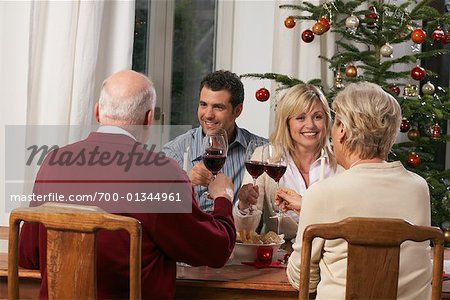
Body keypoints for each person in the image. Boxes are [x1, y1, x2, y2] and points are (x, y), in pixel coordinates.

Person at [18, 70, 236, 299]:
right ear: (148, 118)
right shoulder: (163, 174)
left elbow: (28, 255)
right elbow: (215, 252)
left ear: (97, 112)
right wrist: (223, 198)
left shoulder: (53, 162)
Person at [286, 82, 432, 299]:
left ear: (342, 130)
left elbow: (302, 279)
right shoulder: (419, 188)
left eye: (334, 123)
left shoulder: (322, 193)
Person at [234, 84, 338, 239]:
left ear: (326, 120)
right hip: (280, 257)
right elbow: (245, 230)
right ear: (287, 122)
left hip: (329, 255)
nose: (310, 125)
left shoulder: (341, 161)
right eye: (301, 118)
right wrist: (244, 204)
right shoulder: (265, 157)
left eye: (318, 117)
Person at [163, 70, 266, 212]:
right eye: (203, 105)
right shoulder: (176, 151)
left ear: (238, 110)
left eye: (218, 107)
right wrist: (184, 182)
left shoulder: (261, 151)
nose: (208, 115)